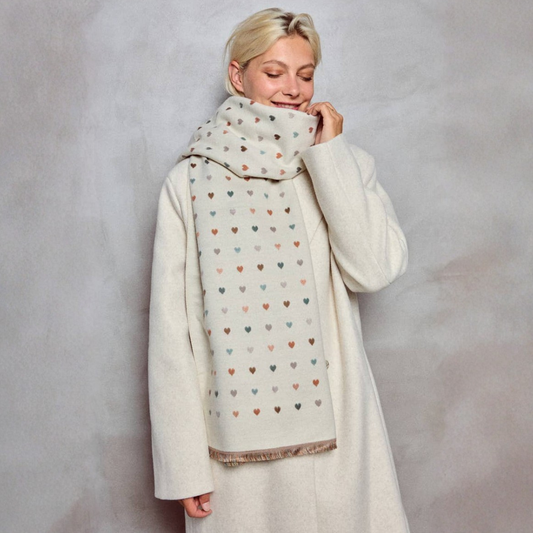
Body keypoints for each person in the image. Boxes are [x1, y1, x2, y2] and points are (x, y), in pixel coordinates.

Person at [148, 8, 410, 533]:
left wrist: (329, 156)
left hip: (338, 434)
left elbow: (374, 270)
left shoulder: (345, 164)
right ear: (237, 75)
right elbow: (171, 336)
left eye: (305, 74)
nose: (292, 89)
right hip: (233, 453)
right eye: (274, 72)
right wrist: (183, 466)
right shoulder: (190, 181)